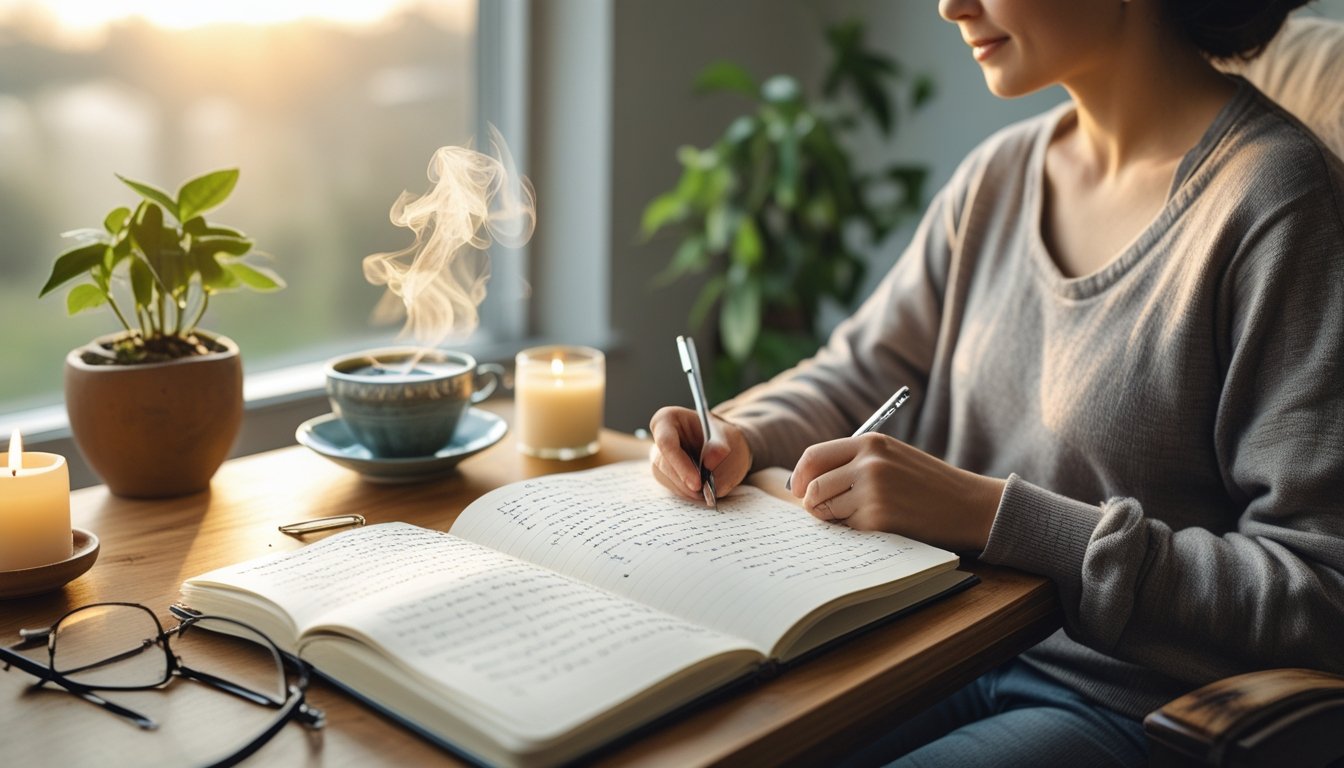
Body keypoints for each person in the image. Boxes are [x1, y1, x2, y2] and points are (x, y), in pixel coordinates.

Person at [647, 0, 1344, 765]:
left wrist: (989, 515)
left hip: (1126, 704)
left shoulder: (1280, 204)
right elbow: (862, 369)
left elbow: (1319, 589)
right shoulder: (999, 177)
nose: (951, 5)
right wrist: (740, 431)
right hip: (934, 647)